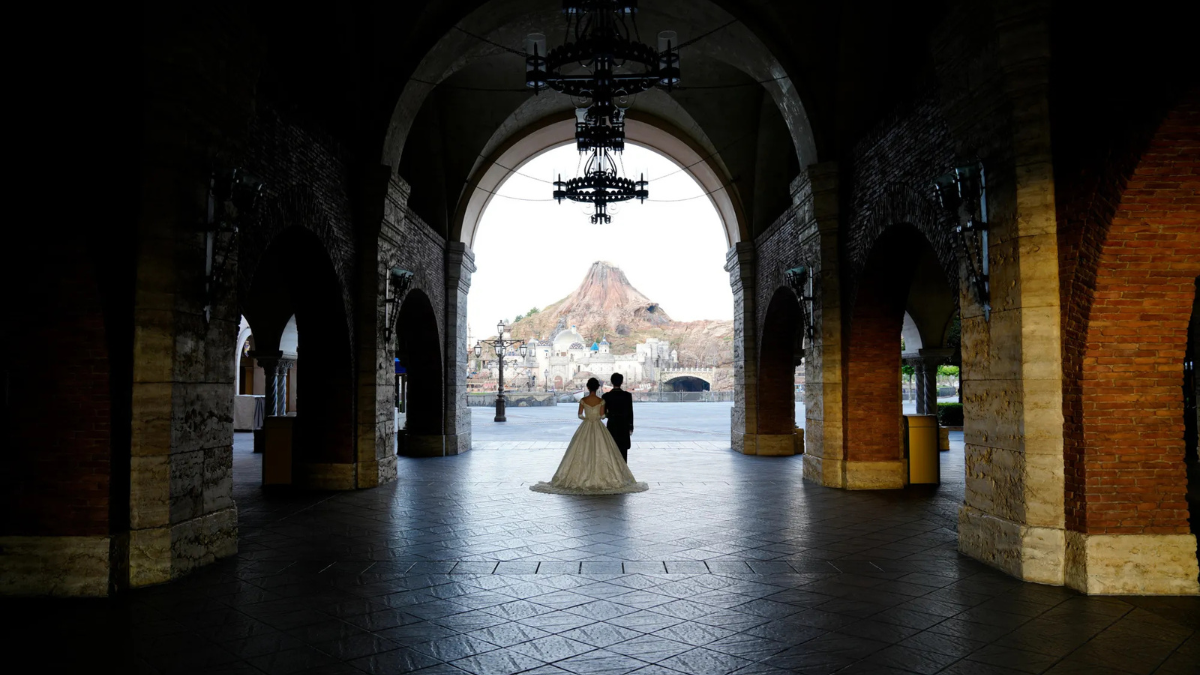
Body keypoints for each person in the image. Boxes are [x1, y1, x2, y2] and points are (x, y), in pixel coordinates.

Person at [530, 377, 648, 495]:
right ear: (597, 388)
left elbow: (580, 415)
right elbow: (602, 416)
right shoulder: (601, 401)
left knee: (579, 450)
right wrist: (598, 417)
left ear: (588, 387)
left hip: (585, 426)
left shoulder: (583, 400)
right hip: (598, 426)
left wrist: (587, 418)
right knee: (605, 450)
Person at [602, 372, 634, 462]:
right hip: (624, 425)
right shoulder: (627, 396)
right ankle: (623, 473)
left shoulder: (606, 396)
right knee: (623, 452)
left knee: (612, 451)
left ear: (612, 382)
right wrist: (631, 426)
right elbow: (630, 412)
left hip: (612, 424)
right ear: (622, 382)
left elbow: (604, 413)